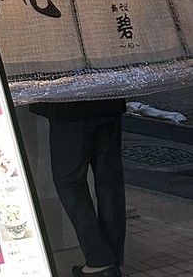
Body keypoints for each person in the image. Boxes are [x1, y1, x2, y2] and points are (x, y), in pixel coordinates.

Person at [29, 98, 126, 277]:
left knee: (69, 182)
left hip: (71, 105)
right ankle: (112, 259)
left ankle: (100, 260)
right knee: (110, 181)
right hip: (110, 100)